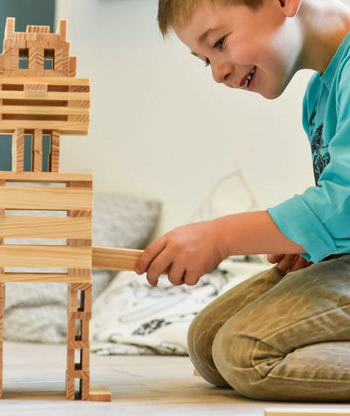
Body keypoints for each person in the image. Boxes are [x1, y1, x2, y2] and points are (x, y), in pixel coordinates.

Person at [135, 0, 350, 401]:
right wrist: (311, 242)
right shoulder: (317, 95)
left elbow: (345, 205)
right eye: (205, 60)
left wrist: (220, 238)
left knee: (245, 354)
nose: (217, 73)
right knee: (206, 341)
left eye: (219, 43)